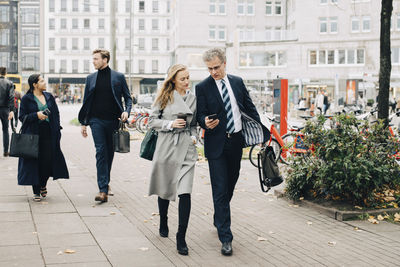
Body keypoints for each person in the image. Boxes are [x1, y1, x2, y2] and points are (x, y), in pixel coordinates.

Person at [196, 48, 269, 256]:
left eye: (216, 67)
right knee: (219, 189)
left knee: (231, 183)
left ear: (225, 63)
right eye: (209, 69)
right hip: (216, 145)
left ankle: (219, 216)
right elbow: (199, 115)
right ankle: (226, 238)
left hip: (236, 142)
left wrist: (263, 135)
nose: (213, 72)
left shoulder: (237, 82)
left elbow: (249, 108)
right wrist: (205, 122)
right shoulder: (202, 87)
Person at [148, 64, 197, 256]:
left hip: (186, 149)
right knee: (164, 187)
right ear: (173, 80)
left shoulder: (193, 98)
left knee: (185, 192)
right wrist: (170, 123)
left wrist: (194, 136)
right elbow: (152, 121)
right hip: (167, 146)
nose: (187, 81)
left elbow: (194, 124)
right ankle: (163, 219)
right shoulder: (163, 97)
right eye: (183, 78)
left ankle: (181, 236)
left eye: (188, 77)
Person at [78, 49, 132, 203]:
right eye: (93, 59)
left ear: (105, 59)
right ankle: (102, 190)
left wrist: (126, 112)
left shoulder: (118, 77)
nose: (93, 61)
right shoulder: (90, 78)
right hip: (96, 121)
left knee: (109, 153)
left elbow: (128, 98)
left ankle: (105, 182)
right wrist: (84, 123)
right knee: (101, 152)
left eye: (96, 59)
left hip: (113, 121)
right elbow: (86, 102)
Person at [17, 74, 69, 201]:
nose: (45, 83)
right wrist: (36, 115)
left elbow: (56, 114)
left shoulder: (49, 97)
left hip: (49, 134)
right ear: (34, 84)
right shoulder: (26, 99)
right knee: (35, 162)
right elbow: (22, 117)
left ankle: (43, 184)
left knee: (47, 161)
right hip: (33, 135)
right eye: (41, 81)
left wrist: (57, 130)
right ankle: (36, 190)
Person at [0, 67, 14, 157]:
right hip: (5, 109)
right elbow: (11, 97)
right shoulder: (9, 83)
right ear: (6, 73)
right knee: (5, 130)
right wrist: (12, 110)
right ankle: (6, 151)